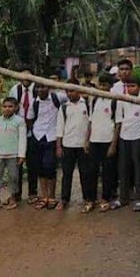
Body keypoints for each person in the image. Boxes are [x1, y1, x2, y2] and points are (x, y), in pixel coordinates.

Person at [114, 73, 140, 211]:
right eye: (128, 86)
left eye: (133, 86)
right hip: (124, 137)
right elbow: (119, 120)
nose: (130, 89)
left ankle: (139, 198)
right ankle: (123, 197)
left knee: (138, 168)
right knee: (123, 168)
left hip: (139, 137)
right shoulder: (122, 100)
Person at [28, 82, 66, 210]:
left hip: (52, 137)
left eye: (43, 86)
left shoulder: (57, 98)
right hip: (38, 136)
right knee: (40, 168)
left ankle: (52, 196)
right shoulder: (35, 103)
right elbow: (30, 119)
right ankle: (44, 197)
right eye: (37, 87)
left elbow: (73, 94)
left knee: (49, 167)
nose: (40, 89)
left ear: (48, 87)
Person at [56, 79, 93, 212]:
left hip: (83, 145)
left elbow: (90, 123)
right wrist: (59, 146)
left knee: (85, 173)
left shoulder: (87, 104)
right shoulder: (64, 107)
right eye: (67, 91)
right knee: (67, 173)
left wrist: (88, 141)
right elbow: (60, 128)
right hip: (68, 144)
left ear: (79, 89)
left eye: (72, 90)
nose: (70, 94)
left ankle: (88, 199)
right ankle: (64, 199)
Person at [0, 97, 26, 212]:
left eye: (10, 106)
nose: (7, 109)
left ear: (16, 108)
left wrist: (21, 155)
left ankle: (13, 199)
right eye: (5, 106)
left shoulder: (19, 121)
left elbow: (22, 138)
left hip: (13, 154)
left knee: (13, 177)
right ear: (2, 107)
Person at [86, 73, 119, 212]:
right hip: (94, 140)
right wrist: (86, 140)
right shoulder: (94, 100)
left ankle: (105, 198)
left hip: (107, 141)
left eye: (105, 85)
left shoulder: (115, 101)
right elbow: (90, 121)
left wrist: (113, 144)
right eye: (101, 84)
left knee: (108, 172)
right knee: (92, 171)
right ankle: (91, 199)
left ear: (111, 86)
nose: (102, 87)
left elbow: (117, 124)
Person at [10, 68, 37, 203]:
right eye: (23, 76)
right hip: (18, 132)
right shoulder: (15, 90)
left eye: (28, 76)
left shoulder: (37, 89)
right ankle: (16, 193)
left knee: (33, 164)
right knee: (17, 165)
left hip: (33, 131)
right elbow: (10, 107)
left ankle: (32, 193)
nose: (26, 79)